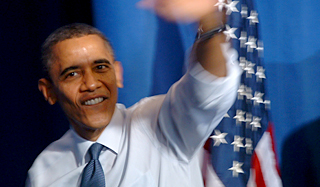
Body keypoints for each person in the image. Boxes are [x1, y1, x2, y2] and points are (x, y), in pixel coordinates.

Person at [26, 0, 241, 186]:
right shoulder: (43, 173)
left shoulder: (161, 124)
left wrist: (209, 21)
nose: (91, 84)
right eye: (72, 74)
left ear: (118, 74)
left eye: (100, 67)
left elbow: (209, 87)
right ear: (49, 91)